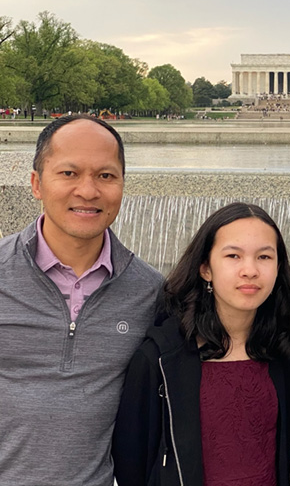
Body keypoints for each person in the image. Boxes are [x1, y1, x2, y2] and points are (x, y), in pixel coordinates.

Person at [0, 115, 163, 485]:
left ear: (122, 185)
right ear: (36, 184)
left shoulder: (150, 292)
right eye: (69, 173)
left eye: (105, 176)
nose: (88, 191)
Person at [112, 202, 290, 486]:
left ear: (278, 267)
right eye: (233, 256)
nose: (250, 270)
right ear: (205, 268)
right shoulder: (160, 359)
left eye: (264, 257)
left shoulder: (289, 354)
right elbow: (132, 465)